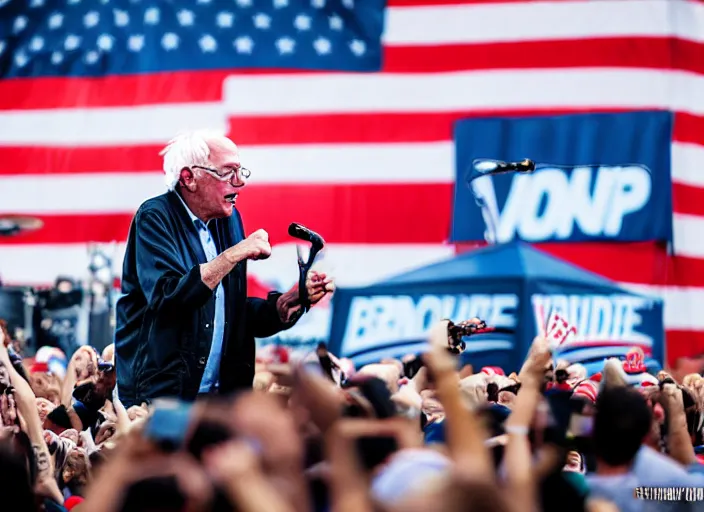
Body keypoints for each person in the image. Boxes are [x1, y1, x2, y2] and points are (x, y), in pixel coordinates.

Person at [114, 130, 334, 407]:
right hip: (163, 397)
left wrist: (284, 304)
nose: (240, 182)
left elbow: (229, 311)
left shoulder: (229, 220)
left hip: (222, 397)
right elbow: (168, 298)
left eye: (241, 171)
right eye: (228, 172)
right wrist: (233, 255)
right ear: (188, 178)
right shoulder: (155, 217)